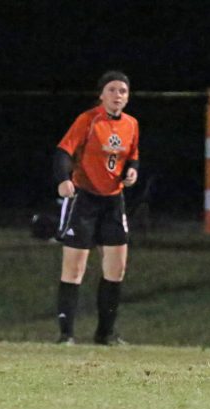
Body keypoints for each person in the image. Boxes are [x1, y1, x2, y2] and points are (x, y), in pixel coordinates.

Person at [53, 70, 139, 345]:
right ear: (101, 94)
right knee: (74, 268)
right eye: (112, 90)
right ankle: (66, 335)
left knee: (116, 269)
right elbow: (63, 152)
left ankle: (105, 335)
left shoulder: (131, 124)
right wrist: (64, 179)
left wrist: (132, 171)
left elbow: (132, 157)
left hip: (114, 201)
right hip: (85, 200)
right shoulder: (88, 120)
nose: (117, 95)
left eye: (122, 91)